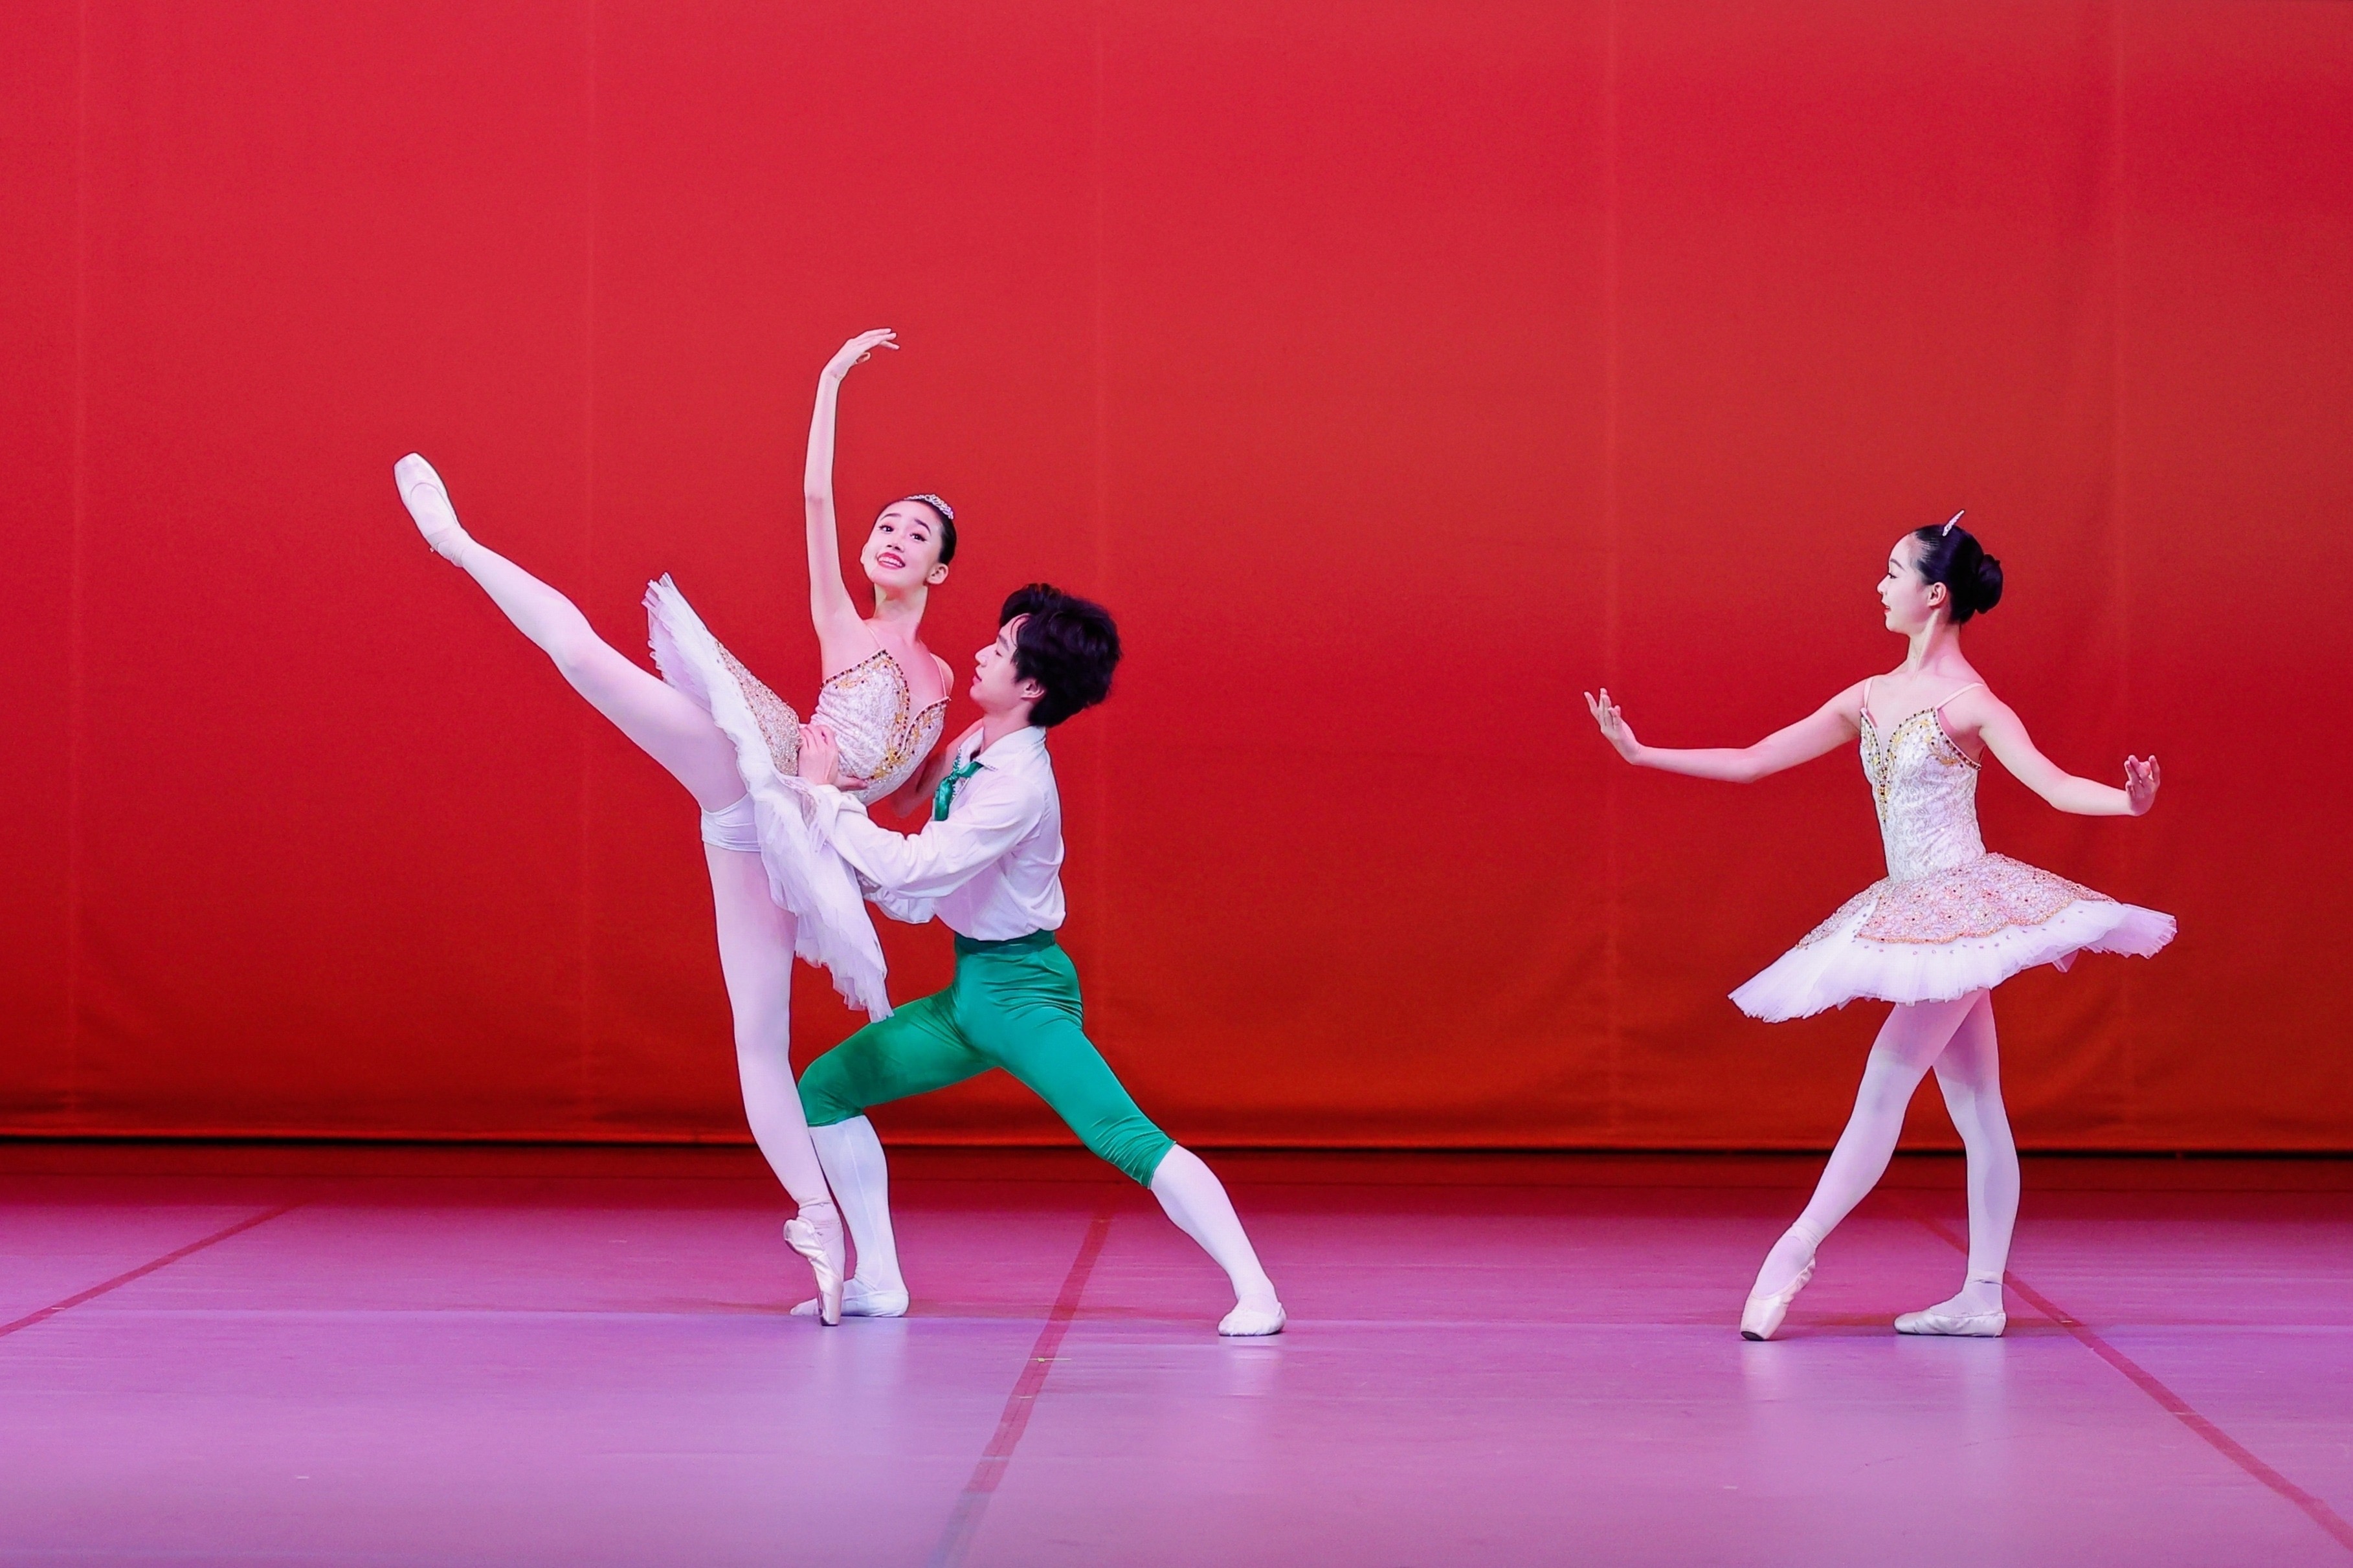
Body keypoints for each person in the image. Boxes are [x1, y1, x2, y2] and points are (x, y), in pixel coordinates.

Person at [392, 329, 958, 1323]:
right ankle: (455, 541)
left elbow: (906, 784)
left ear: (940, 570)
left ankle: (826, 1237)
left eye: (915, 532)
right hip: (755, 773)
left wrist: (867, 820)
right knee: (584, 659)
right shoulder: (845, 621)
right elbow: (815, 499)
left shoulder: (944, 677)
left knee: (762, 1038)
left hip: (803, 840)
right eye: (886, 522)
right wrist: (828, 380)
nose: (893, 536)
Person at [1585, 515, 2172, 1340]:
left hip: (1961, 912)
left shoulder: (1972, 704)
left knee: (1887, 1081)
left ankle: (1793, 1250)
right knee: (1978, 1107)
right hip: (1912, 907)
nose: (1879, 585)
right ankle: (1981, 1294)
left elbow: (2050, 784)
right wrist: (1643, 754)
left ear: (1934, 594)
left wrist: (2127, 803)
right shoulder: (1868, 696)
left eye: (1893, 571)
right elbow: (1754, 759)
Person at [788, 585, 1288, 1335]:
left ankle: (1258, 1292)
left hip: (1023, 996)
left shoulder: (1018, 785)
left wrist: (824, 800)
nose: (981, 652)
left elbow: (916, 867)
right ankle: (878, 1280)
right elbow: (920, 870)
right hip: (970, 995)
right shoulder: (975, 745)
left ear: (1031, 686)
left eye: (1000, 648)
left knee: (1126, 1137)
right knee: (825, 1088)